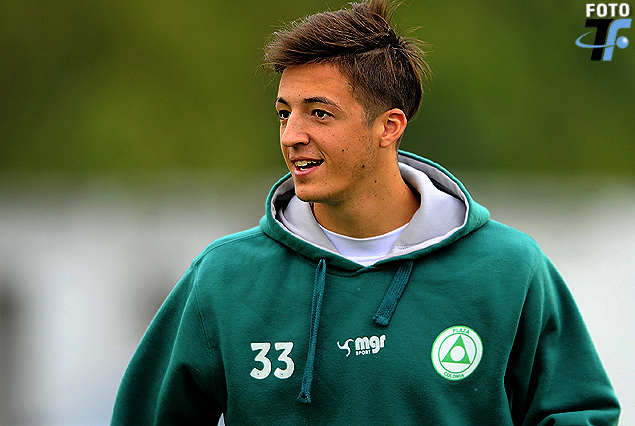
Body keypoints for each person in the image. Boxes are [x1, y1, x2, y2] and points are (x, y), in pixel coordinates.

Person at [111, 0, 620, 424]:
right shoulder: (224, 277)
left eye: (319, 113)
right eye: (284, 113)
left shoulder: (509, 268)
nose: (292, 135)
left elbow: (578, 412)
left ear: (389, 126)